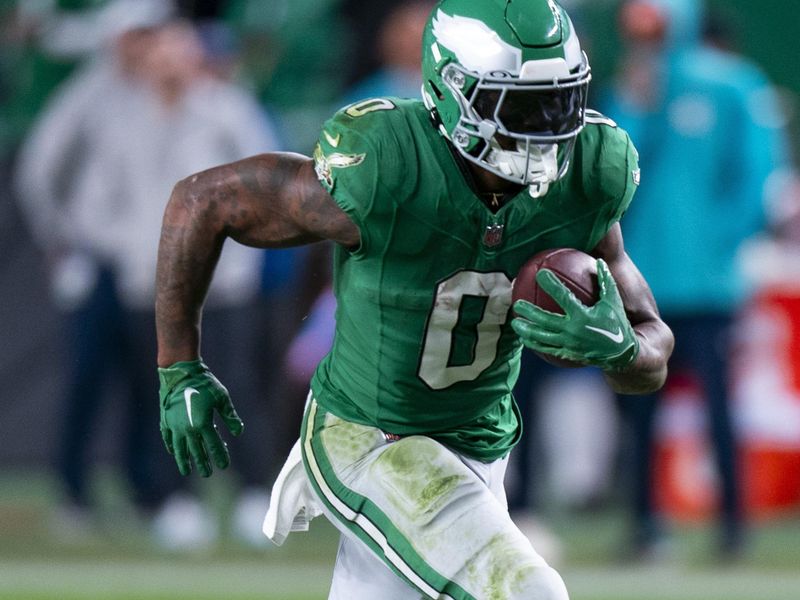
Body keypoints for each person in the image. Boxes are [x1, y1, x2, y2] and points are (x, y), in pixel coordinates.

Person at [155, 1, 673, 597]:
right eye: (522, 105)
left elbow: (652, 352)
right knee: (526, 591)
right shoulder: (387, 164)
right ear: (453, 90)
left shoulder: (588, 173)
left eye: (560, 100)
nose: (547, 127)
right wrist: (178, 367)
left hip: (482, 445)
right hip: (370, 435)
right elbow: (202, 199)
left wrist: (619, 347)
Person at [14, 13, 281, 548]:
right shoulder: (116, 112)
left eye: (177, 50)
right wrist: (104, 241)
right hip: (149, 277)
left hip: (222, 275)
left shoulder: (223, 106)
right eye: (158, 51)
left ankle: (256, 493)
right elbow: (84, 186)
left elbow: (268, 180)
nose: (167, 62)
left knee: (236, 383)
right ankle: (176, 499)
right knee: (166, 389)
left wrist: (246, 247)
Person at [602, 0, 789, 560]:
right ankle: (644, 526)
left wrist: (720, 243)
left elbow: (758, 171)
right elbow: (613, 172)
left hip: (709, 288)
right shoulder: (632, 85)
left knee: (719, 409)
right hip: (642, 281)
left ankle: (733, 526)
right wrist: (635, 104)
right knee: (637, 408)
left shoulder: (732, 83)